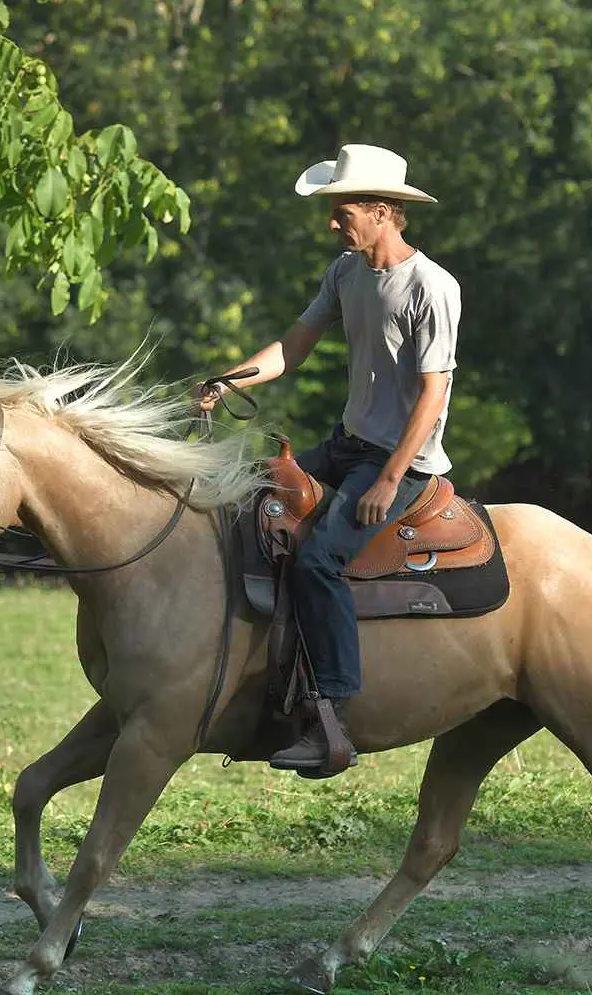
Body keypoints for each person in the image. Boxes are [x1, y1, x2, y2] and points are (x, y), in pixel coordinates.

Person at [197, 144, 461, 773]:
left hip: (402, 462)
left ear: (382, 210)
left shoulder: (432, 286)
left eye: (342, 211)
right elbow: (294, 347)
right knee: (249, 497)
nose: (332, 223)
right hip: (347, 446)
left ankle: (332, 712)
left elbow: (434, 392)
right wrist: (232, 381)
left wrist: (392, 476)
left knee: (318, 560)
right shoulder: (346, 273)